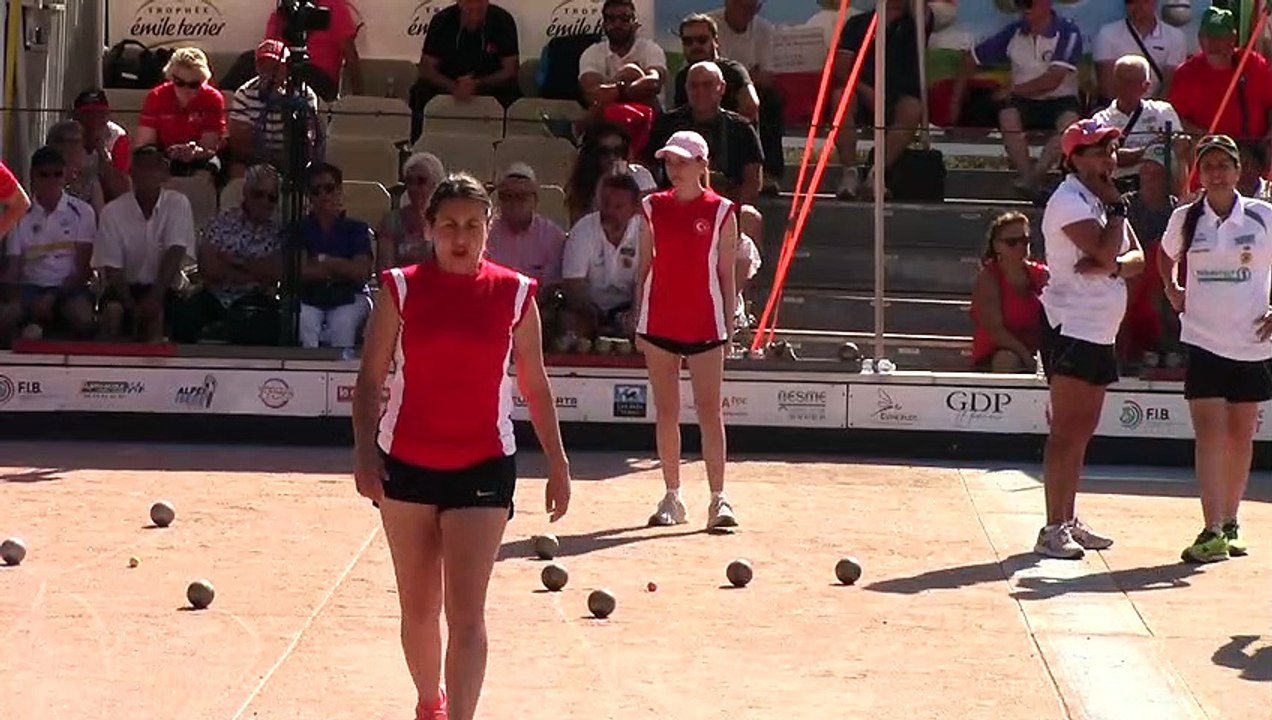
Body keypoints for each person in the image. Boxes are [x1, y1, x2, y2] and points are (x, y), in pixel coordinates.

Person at [351, 172, 572, 720]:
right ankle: (431, 703)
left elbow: (535, 383)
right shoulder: (399, 288)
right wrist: (362, 454)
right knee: (420, 610)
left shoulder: (516, 294)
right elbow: (369, 378)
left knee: (466, 614)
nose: (461, 236)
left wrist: (558, 464)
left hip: (484, 466)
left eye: (473, 225)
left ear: (487, 229)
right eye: (449, 224)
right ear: (428, 227)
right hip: (404, 464)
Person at [1158, 134, 1272, 563]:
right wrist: (1172, 288)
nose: (1218, 173)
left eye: (1225, 164)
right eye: (1209, 166)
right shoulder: (1187, 218)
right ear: (1200, 173)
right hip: (1204, 338)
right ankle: (1210, 529)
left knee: (1241, 435)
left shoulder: (1263, 216)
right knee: (1209, 433)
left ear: (1239, 170)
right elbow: (1165, 255)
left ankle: (1230, 522)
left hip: (1253, 341)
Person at [1036, 118, 1146, 559]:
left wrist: (1114, 263)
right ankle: (1052, 526)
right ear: (1074, 158)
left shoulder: (1102, 200)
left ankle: (1069, 516)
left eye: (1111, 150)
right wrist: (1115, 227)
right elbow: (1105, 250)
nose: (1107, 158)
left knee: (1084, 430)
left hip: (1101, 325)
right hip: (1071, 324)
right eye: (1097, 150)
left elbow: (1135, 258)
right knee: (1066, 430)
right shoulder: (1070, 200)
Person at [634, 130, 739, 531]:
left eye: (681, 161)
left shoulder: (722, 211)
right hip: (659, 319)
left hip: (706, 323)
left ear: (702, 165)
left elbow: (726, 274)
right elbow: (643, 268)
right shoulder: (650, 207)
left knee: (710, 413)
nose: (673, 169)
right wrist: (637, 319)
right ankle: (672, 495)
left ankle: (718, 499)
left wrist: (729, 326)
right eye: (669, 161)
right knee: (667, 412)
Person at [95, 145, 197, 342]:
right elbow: (112, 268)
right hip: (123, 289)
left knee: (161, 316)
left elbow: (175, 251)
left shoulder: (178, 204)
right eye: (141, 168)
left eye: (153, 168)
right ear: (131, 173)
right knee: (113, 313)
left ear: (165, 173)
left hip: (166, 288)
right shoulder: (112, 212)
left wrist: (155, 297)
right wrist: (131, 305)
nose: (147, 174)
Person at [1, 147, 97, 344]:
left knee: (83, 317)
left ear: (65, 176)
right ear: (32, 177)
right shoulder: (19, 213)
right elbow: (14, 268)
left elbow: (83, 271)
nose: (51, 180)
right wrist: (16, 298)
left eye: (57, 174)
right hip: (29, 289)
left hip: (69, 290)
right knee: (5, 316)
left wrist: (53, 296)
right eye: (44, 174)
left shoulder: (83, 212)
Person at [296, 163, 374, 350]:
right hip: (309, 297)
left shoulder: (357, 229)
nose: (323, 195)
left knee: (343, 323)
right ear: (309, 196)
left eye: (329, 189)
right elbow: (300, 271)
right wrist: (343, 268)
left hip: (351, 296)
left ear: (339, 191)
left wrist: (324, 260)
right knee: (303, 320)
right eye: (316, 190)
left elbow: (361, 273)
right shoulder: (299, 228)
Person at [969, 211, 1048, 372]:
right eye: (1012, 242)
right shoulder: (988, 279)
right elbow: (995, 330)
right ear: (997, 245)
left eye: (1024, 241)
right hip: (998, 350)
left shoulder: (1042, 275)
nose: (1020, 247)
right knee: (1007, 360)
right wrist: (1026, 356)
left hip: (1037, 348)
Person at [134, 47, 226, 178]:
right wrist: (169, 153)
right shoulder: (156, 96)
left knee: (211, 167)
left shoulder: (212, 98)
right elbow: (144, 145)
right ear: (171, 77)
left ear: (203, 81)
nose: (186, 89)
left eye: (194, 84)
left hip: (201, 158)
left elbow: (210, 146)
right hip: (164, 156)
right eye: (180, 82)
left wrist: (195, 153)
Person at [377, 152, 445, 272]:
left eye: (421, 181)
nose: (413, 187)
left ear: (436, 184)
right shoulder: (392, 221)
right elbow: (385, 271)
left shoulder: (447, 222)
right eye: (409, 181)